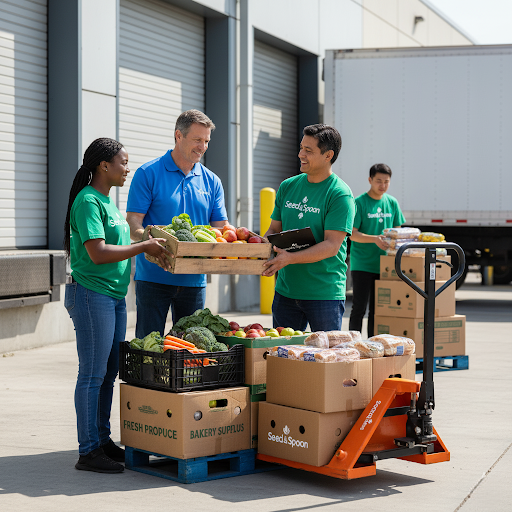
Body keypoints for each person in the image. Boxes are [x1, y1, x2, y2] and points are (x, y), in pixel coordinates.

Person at [64, 138, 170, 474]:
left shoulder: (108, 203)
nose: (128, 168)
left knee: (109, 372)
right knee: (93, 373)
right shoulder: (87, 201)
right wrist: (143, 248)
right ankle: (88, 451)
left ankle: (102, 439)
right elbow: (97, 253)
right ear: (103, 166)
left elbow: (121, 243)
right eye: (123, 162)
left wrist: (150, 239)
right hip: (91, 294)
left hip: (113, 296)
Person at [126, 110, 229, 339]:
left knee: (189, 352)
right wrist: (149, 241)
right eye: (197, 140)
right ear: (178, 136)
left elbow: (221, 228)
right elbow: (133, 222)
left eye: (206, 141)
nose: (203, 147)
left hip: (194, 280)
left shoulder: (212, 181)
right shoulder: (148, 173)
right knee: (148, 347)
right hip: (153, 277)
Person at [262, 124, 356, 332]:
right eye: (301, 148)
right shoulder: (288, 186)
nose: (300, 154)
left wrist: (289, 258)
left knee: (325, 359)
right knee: (283, 360)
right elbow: (274, 231)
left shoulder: (340, 194)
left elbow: (332, 245)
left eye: (309, 151)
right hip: (286, 292)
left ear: (328, 155)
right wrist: (255, 247)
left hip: (324, 295)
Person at [348, 163, 405, 337]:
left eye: (386, 182)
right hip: (363, 264)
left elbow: (398, 231)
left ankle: (373, 344)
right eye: (379, 181)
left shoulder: (392, 202)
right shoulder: (359, 202)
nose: (383, 185)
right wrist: (375, 239)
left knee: (377, 310)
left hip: (385, 266)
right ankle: (353, 344)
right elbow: (352, 234)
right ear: (370, 180)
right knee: (359, 307)